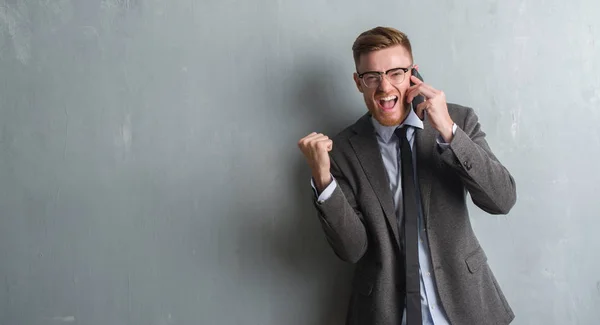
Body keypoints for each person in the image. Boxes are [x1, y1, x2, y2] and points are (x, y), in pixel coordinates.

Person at [297, 26, 517, 325]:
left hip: (466, 308)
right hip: (385, 314)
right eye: (372, 76)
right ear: (358, 82)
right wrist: (323, 180)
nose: (385, 88)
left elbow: (501, 200)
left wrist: (450, 133)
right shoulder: (344, 150)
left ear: (413, 73)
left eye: (396, 73)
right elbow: (352, 249)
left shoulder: (458, 120)